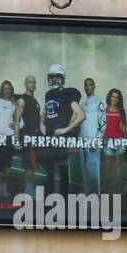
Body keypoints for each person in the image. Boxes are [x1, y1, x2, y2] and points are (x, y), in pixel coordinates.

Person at [40, 64, 84, 198]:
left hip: (60, 138)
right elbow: (44, 112)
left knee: (63, 169)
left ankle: (64, 201)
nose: (54, 80)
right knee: (49, 173)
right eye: (51, 77)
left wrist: (66, 129)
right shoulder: (48, 94)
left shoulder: (69, 93)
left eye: (57, 78)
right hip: (48, 138)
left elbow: (81, 115)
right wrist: (42, 123)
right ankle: (49, 201)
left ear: (62, 78)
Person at [15, 74, 42, 196]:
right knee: (30, 165)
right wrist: (16, 140)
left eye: (34, 82)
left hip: (36, 137)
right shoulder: (22, 100)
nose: (33, 84)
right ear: (25, 84)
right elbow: (16, 121)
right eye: (30, 82)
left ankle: (28, 188)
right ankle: (30, 189)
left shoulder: (35, 101)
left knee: (34, 164)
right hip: (27, 136)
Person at [79, 77, 106, 195]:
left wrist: (97, 141)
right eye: (86, 85)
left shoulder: (99, 102)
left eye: (90, 85)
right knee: (84, 173)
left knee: (94, 172)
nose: (87, 87)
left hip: (93, 143)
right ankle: (86, 195)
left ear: (94, 87)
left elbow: (103, 124)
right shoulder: (82, 104)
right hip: (82, 142)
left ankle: (95, 196)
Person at [102, 88, 127, 190]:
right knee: (108, 164)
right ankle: (108, 181)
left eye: (117, 97)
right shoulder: (104, 110)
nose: (114, 99)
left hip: (119, 140)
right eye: (113, 96)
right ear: (109, 97)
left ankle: (116, 182)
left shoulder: (121, 111)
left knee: (118, 163)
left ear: (119, 99)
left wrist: (126, 137)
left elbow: (124, 126)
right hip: (107, 140)